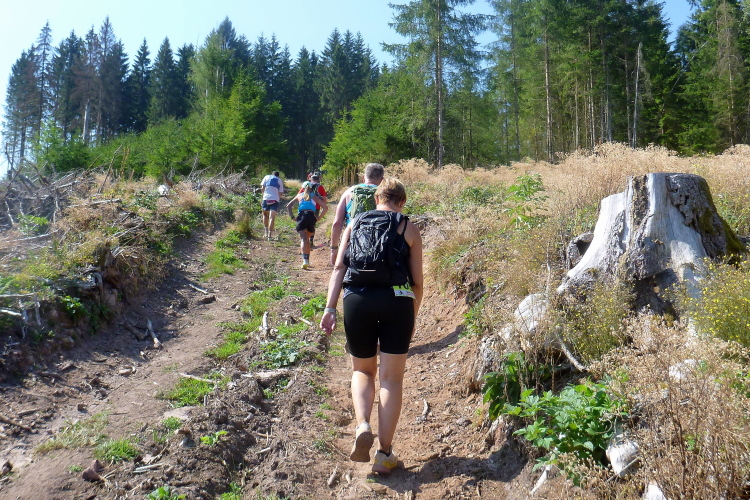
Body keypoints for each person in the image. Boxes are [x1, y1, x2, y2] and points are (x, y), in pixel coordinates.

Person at [320, 178, 423, 475]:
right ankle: (384, 454)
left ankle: (363, 424)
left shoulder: (356, 223)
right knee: (391, 379)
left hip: (357, 301)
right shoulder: (409, 227)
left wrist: (330, 308)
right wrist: (411, 315)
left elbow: (339, 268)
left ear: (376, 198)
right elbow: (417, 283)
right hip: (397, 302)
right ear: (402, 201)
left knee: (362, 371)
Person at [329, 163, 385, 265]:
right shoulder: (385, 195)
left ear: (363, 178)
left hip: (352, 242)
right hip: (378, 244)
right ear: (382, 180)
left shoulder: (349, 192)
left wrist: (334, 249)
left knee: (347, 271)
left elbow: (337, 223)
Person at [286, 182, 328, 269]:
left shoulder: (299, 196)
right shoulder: (314, 197)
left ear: (303, 188)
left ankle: (305, 261)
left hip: (301, 217)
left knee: (303, 239)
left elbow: (288, 206)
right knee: (307, 240)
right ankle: (307, 260)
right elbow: (325, 207)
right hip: (311, 217)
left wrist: (292, 217)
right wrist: (319, 217)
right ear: (312, 189)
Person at [297, 173, 328, 248]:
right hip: (316, 207)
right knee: (312, 224)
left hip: (304, 208)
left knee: (303, 224)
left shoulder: (306, 186)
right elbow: (324, 199)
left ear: (311, 179)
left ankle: (304, 241)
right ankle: (310, 241)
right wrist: (322, 204)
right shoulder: (320, 186)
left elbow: (299, 195)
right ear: (318, 179)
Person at [260, 170, 285, 240]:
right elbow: (280, 192)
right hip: (275, 199)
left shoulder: (266, 177)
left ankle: (266, 232)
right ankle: (269, 236)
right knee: (272, 218)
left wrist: (263, 195)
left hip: (266, 198)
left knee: (265, 215)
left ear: (272, 174)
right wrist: (278, 198)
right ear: (278, 176)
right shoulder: (279, 180)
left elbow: (262, 188)